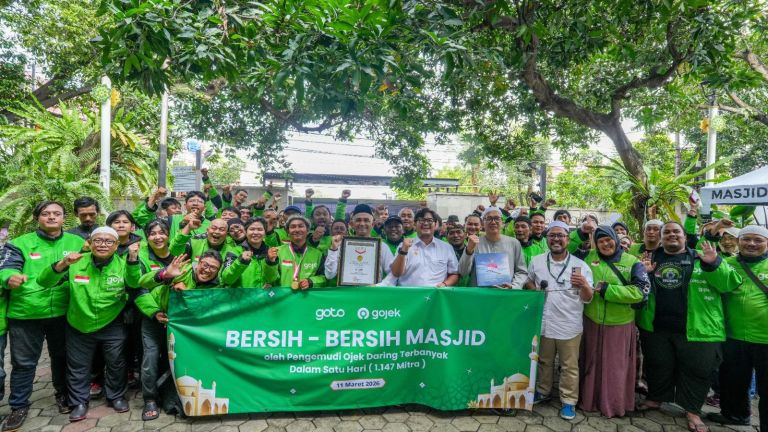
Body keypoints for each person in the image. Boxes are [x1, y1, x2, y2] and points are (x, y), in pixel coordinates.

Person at [637, 222, 743, 432]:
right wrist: (646, 273)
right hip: (656, 326)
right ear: (660, 237)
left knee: (697, 371)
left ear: (685, 236)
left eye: (676, 231)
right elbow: (641, 288)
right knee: (658, 365)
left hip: (698, 328)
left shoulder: (702, 256)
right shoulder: (651, 258)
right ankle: (656, 398)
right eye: (666, 232)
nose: (671, 235)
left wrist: (714, 264)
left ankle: (692, 411)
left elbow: (729, 284)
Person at [38, 227, 140, 421]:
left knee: (116, 363)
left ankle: (116, 396)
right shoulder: (76, 262)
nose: (103, 244)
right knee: (78, 366)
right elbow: (44, 282)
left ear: (117, 245)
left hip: (112, 322)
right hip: (78, 323)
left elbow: (134, 284)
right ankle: (79, 402)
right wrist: (61, 264)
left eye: (109, 241)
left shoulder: (123, 264)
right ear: (90, 243)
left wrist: (133, 260)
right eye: (98, 240)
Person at [0, 201, 85, 430]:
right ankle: (19, 406)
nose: (51, 217)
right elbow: (6, 268)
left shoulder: (76, 243)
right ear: (37, 217)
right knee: (24, 363)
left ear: (64, 218)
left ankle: (63, 395)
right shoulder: (19, 243)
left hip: (62, 311)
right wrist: (9, 277)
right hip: (26, 312)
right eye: (46, 214)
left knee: (61, 357)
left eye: (56, 213)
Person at [577, 226, 649, 418]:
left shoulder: (632, 262)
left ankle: (614, 405)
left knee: (615, 368)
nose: (605, 244)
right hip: (592, 321)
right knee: (591, 364)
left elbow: (641, 293)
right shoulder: (588, 257)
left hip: (620, 324)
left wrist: (609, 291)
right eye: (600, 241)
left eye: (608, 240)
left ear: (616, 240)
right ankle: (589, 401)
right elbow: (568, 245)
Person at [525, 220, 594, 420]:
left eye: (560, 236)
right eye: (552, 235)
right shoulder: (537, 261)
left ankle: (568, 401)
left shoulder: (580, 265)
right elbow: (529, 281)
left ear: (567, 239)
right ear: (547, 239)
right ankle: (543, 392)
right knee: (544, 361)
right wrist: (534, 290)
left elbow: (588, 298)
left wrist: (583, 285)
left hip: (569, 325)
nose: (556, 239)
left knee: (569, 366)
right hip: (544, 322)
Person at [708, 225, 768, 431]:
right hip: (733, 335)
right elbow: (717, 285)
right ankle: (736, 416)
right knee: (733, 380)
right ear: (739, 241)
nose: (751, 244)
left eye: (758, 240)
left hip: (765, 338)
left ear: (766, 243)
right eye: (747, 239)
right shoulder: (727, 263)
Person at [459, 207, 528, 288]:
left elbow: (522, 271)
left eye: (497, 218)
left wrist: (514, 286)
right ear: (483, 223)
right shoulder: (474, 243)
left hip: (505, 295)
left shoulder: (514, 243)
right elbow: (463, 272)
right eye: (489, 219)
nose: (493, 222)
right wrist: (469, 251)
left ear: (502, 222)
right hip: (480, 295)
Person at [389, 208, 459, 287]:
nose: (425, 223)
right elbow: (395, 273)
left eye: (429, 220)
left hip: (436, 296)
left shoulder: (446, 248)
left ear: (435, 224)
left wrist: (445, 284)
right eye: (421, 220)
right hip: (410, 296)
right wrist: (403, 252)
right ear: (414, 224)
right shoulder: (404, 245)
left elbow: (454, 273)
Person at [264, 215, 327, 289]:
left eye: (301, 226)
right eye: (293, 227)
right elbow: (270, 280)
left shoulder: (318, 254)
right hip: (283, 298)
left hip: (306, 297)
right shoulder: (277, 252)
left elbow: (324, 278)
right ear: (288, 231)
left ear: (308, 231)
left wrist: (311, 281)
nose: (297, 230)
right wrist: (270, 263)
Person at [221, 218, 272, 288]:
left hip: (264, 297)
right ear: (246, 231)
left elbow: (275, 279)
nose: (256, 232)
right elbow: (226, 279)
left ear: (265, 232)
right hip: (242, 297)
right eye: (252, 229)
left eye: (260, 229)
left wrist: (272, 263)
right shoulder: (234, 251)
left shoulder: (270, 252)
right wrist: (241, 261)